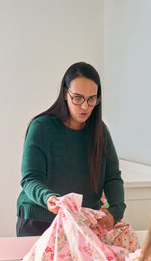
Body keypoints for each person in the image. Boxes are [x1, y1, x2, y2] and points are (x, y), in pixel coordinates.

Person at [16, 62, 125, 237]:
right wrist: (48, 198)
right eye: (78, 98)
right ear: (66, 94)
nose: (85, 106)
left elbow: (112, 178)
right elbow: (30, 179)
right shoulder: (42, 128)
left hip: (83, 223)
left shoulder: (100, 132)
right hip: (40, 220)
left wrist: (116, 211)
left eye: (92, 99)